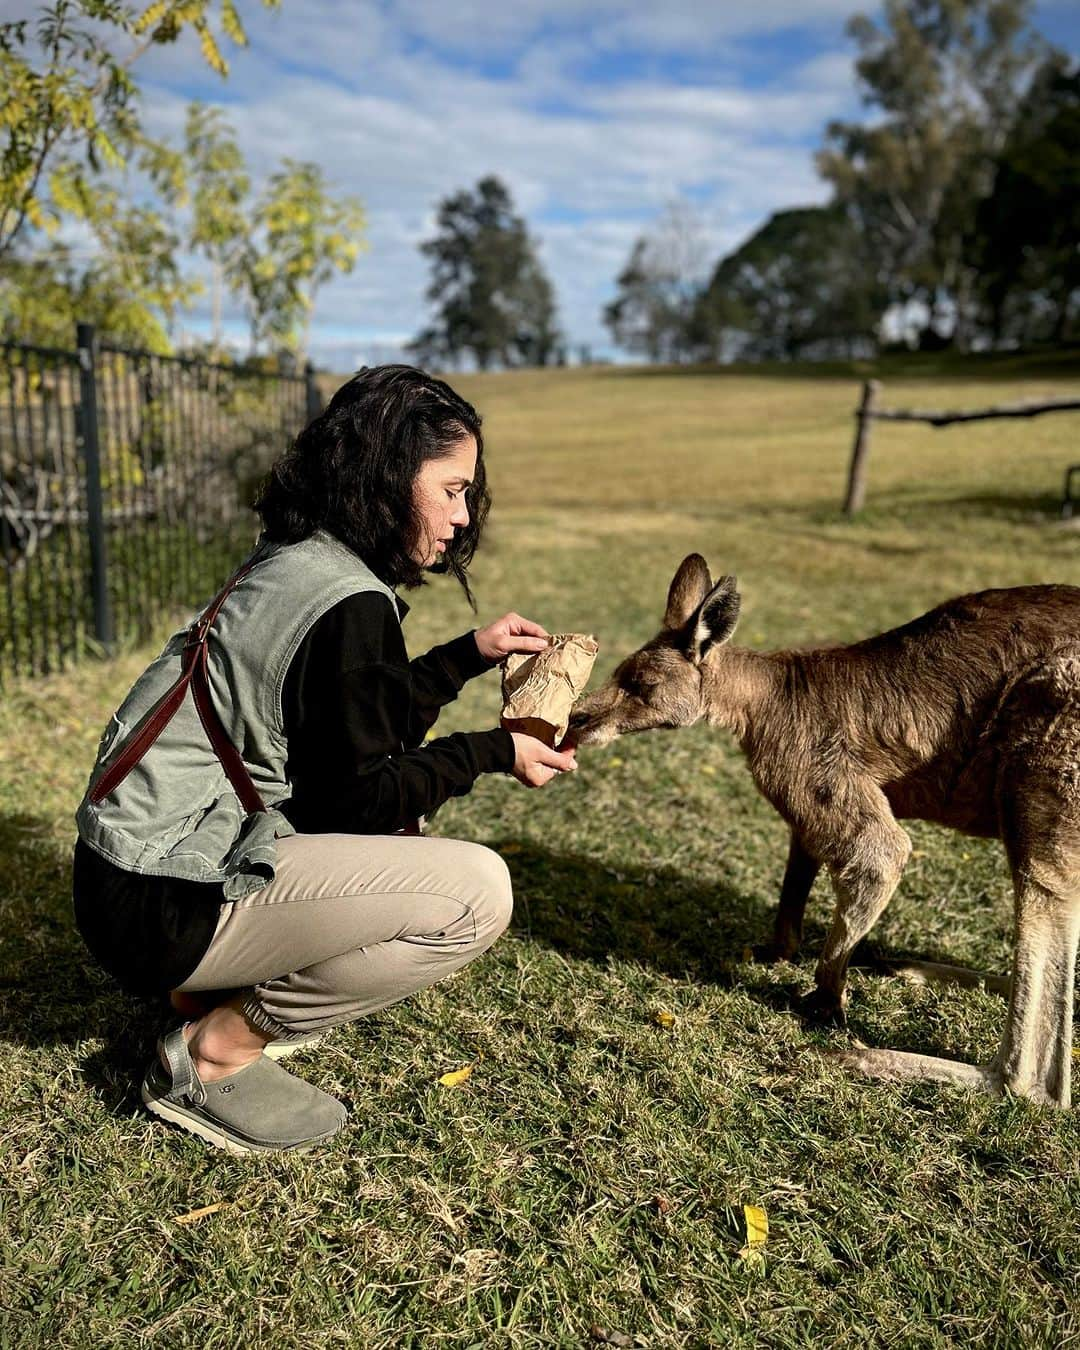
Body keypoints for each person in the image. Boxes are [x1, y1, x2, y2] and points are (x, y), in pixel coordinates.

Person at [73, 365, 576, 1154]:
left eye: (467, 494)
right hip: (161, 903)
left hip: (132, 876)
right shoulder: (351, 602)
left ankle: (197, 990)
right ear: (388, 474)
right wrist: (492, 751)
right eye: (450, 489)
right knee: (476, 894)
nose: (461, 515)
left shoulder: (299, 560)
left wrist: (465, 657)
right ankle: (213, 1052)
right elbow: (359, 799)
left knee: (393, 836)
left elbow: (346, 727)